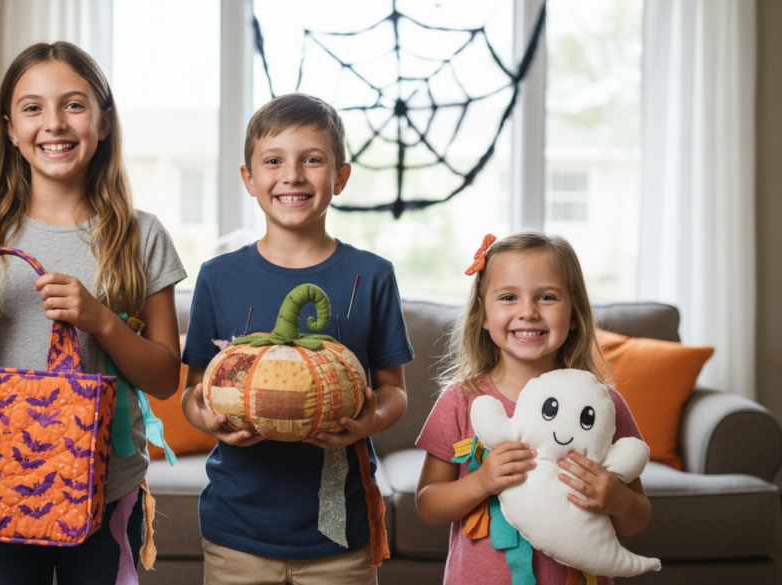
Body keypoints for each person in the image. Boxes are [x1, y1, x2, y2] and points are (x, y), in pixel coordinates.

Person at [0, 42, 186, 585]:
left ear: (104, 120)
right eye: (32, 108)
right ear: (9, 130)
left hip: (104, 486)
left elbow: (164, 378)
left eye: (74, 104)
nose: (54, 123)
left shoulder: (142, 235)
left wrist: (102, 321)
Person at [180, 93, 415, 585]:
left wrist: (365, 423)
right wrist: (209, 420)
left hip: (340, 536)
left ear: (340, 177)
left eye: (312, 159)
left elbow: (395, 391)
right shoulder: (217, 277)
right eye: (273, 161)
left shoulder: (372, 276)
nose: (292, 175)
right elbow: (192, 391)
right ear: (249, 178)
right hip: (236, 529)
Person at [415, 232, 652, 584]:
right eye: (508, 297)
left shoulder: (601, 406)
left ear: (574, 314)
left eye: (547, 297)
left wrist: (615, 498)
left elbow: (638, 517)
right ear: (483, 315)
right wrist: (482, 481)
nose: (528, 311)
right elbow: (427, 504)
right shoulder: (462, 399)